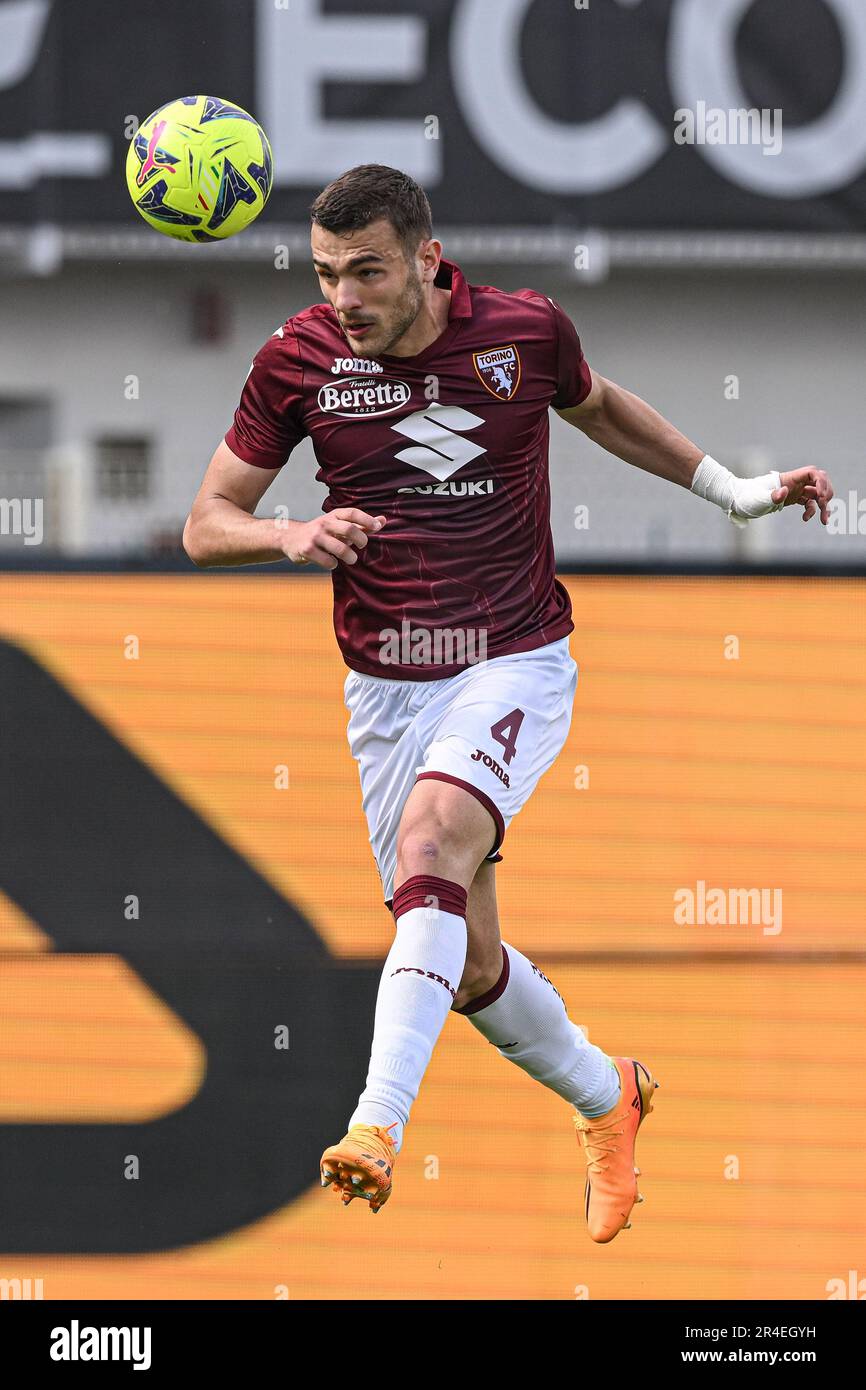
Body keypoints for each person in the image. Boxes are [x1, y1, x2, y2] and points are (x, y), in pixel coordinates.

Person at [183, 164, 833, 1244]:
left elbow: (603, 411)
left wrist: (733, 491)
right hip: (384, 690)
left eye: (367, 270)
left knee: (433, 841)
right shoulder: (295, 362)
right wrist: (287, 534)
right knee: (469, 958)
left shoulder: (522, 333)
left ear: (427, 261)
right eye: (326, 272)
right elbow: (207, 520)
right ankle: (606, 1093)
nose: (343, 295)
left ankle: (373, 1125)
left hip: (511, 659)